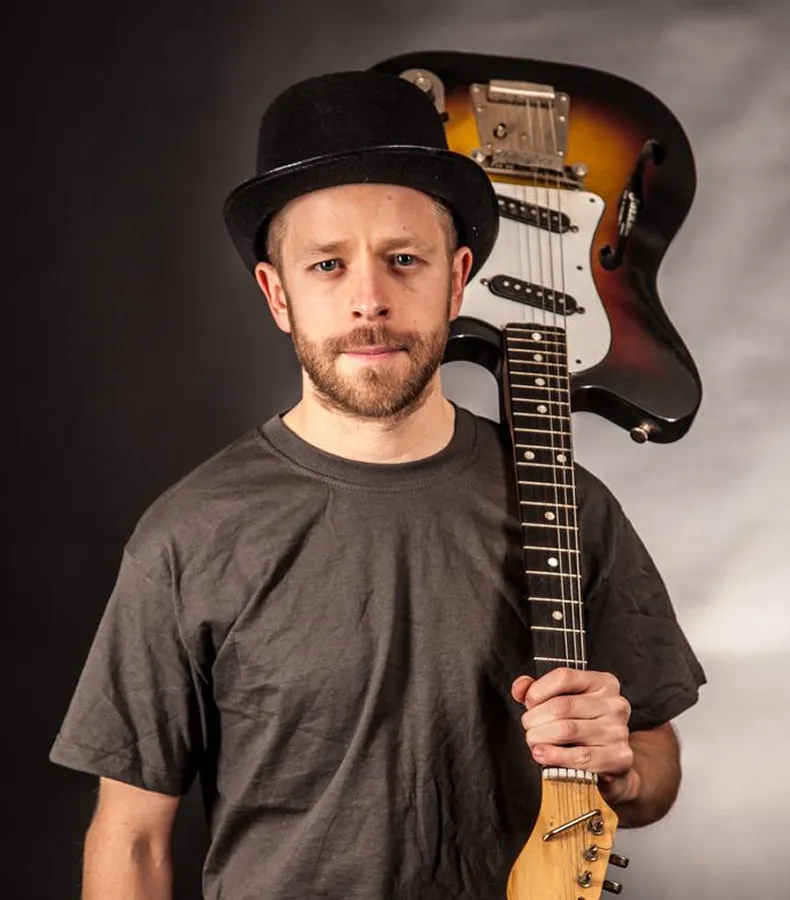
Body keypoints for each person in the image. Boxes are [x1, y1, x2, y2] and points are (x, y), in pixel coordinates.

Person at [50, 70, 706, 900]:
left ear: (457, 279)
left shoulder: (567, 505)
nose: (370, 300)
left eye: (404, 260)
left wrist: (620, 767)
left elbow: (654, 763)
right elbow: (133, 837)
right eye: (328, 264)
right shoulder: (188, 536)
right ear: (277, 294)